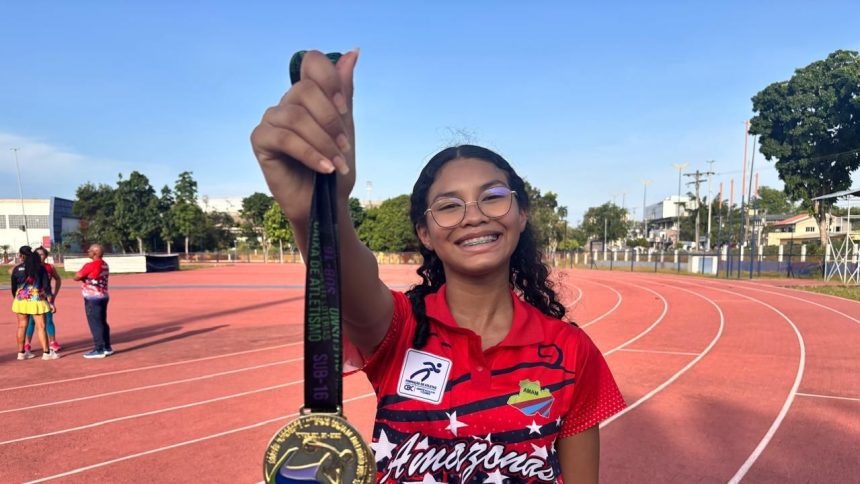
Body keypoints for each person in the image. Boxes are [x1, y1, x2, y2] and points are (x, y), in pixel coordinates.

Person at [251, 50, 626, 483]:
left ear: (521, 214)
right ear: (425, 234)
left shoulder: (572, 352)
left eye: (492, 196)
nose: (473, 215)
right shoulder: (401, 330)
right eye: (448, 206)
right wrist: (321, 210)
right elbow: (352, 283)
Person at [11, 246, 58, 360]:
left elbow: (13, 287)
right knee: (41, 326)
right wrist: (50, 302)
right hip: (36, 300)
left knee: (21, 326)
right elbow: (46, 286)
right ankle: (46, 353)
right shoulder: (40, 269)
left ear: (21, 256)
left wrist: (16, 298)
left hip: (21, 299)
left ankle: (21, 353)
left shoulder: (16, 269)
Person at [73, 243, 113, 358]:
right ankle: (107, 347)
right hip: (103, 295)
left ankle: (99, 348)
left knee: (95, 323)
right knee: (102, 322)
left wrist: (83, 277)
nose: (88, 251)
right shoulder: (105, 264)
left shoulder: (90, 265)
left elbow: (76, 277)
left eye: (90, 250)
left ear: (95, 253)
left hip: (92, 297)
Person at [24, 246, 62, 353]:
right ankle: (27, 344)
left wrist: (54, 294)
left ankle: (52, 342)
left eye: (42, 254)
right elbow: (13, 272)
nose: (39, 256)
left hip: (46, 297)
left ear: (45, 256)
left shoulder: (49, 267)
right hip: (33, 298)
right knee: (31, 321)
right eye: (37, 254)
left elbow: (58, 279)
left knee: (49, 320)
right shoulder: (29, 266)